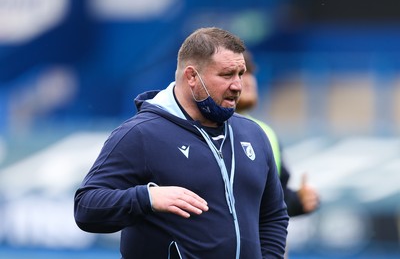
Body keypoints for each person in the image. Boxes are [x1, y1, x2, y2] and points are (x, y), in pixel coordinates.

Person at [74, 27, 289, 259]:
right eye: (227, 75)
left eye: (241, 73)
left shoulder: (253, 134)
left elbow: (273, 215)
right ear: (192, 77)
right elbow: (86, 207)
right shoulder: (141, 134)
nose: (238, 85)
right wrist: (148, 198)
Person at [236, 51, 319, 217]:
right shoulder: (204, 128)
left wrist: (299, 201)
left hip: (259, 243)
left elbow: (271, 198)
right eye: (238, 74)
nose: (249, 81)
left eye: (250, 73)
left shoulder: (266, 133)